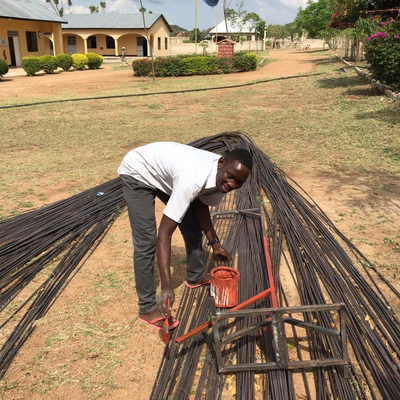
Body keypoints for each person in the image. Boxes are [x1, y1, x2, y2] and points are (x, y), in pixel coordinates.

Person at [118, 142, 253, 330]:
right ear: (221, 163)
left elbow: (200, 204)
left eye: (239, 182)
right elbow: (164, 234)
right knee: (146, 241)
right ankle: (147, 308)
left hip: (165, 174)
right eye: (230, 178)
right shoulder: (192, 177)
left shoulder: (223, 177)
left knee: (192, 225)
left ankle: (195, 275)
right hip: (138, 171)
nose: (232, 184)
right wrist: (167, 285)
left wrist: (215, 243)